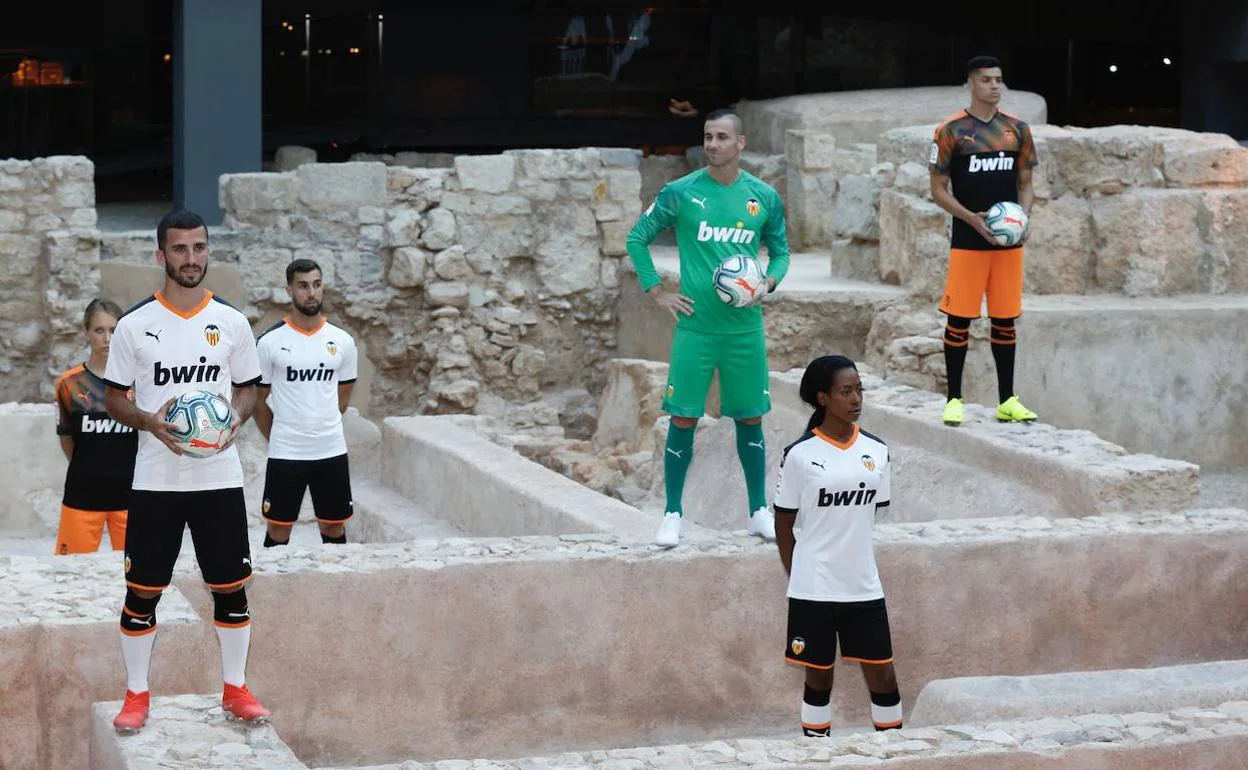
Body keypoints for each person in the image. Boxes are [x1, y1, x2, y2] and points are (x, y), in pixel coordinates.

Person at [102, 210, 271, 733]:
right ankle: (135, 695)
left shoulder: (232, 322)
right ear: (161, 256)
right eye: (179, 249)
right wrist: (149, 422)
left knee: (231, 588)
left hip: (218, 479)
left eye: (199, 248)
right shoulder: (134, 326)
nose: (191, 259)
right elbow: (112, 399)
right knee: (142, 592)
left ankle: (236, 688)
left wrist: (235, 420)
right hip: (155, 480)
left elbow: (248, 388)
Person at [625, 107, 792, 547]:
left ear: (741, 144)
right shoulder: (680, 192)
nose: (712, 144)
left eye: (721, 137)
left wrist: (769, 281)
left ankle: (758, 510)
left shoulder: (763, 197)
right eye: (707, 137)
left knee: (750, 418)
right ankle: (672, 514)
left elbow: (780, 251)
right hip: (696, 329)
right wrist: (656, 291)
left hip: (744, 330)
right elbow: (636, 238)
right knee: (683, 418)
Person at [773, 355, 903, 736]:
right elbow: (784, 524)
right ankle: (817, 754)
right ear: (823, 398)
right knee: (818, 678)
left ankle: (893, 754)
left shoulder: (877, 452)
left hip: (863, 583)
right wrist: (798, 575)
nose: (856, 398)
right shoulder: (800, 456)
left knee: (883, 673)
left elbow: (866, 517)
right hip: (814, 584)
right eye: (845, 391)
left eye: (859, 390)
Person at [929, 54, 1039, 427]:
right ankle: (954, 399)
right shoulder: (951, 132)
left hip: (1008, 244)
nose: (995, 86)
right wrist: (970, 219)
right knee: (959, 320)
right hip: (968, 240)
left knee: (1005, 321)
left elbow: (1025, 183)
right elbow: (937, 189)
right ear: (971, 84)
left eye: (999, 79)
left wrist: (1022, 217)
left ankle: (1007, 400)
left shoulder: (1018, 130)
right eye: (988, 80)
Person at [254, 258, 358, 547]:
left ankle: (337, 588)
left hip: (331, 448)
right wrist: (279, 434)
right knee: (278, 529)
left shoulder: (343, 341)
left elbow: (343, 396)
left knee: (334, 527)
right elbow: (258, 401)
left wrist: (320, 423)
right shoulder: (270, 342)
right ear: (289, 291)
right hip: (287, 450)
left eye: (316, 285)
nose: (311, 293)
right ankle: (273, 591)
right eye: (302, 286)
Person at [52, 299, 138, 555]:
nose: (107, 338)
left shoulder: (139, 382)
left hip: (132, 496)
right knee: (70, 576)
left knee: (140, 579)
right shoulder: (69, 384)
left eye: (114, 330)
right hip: (83, 495)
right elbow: (66, 438)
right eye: (99, 330)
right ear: (86, 333)